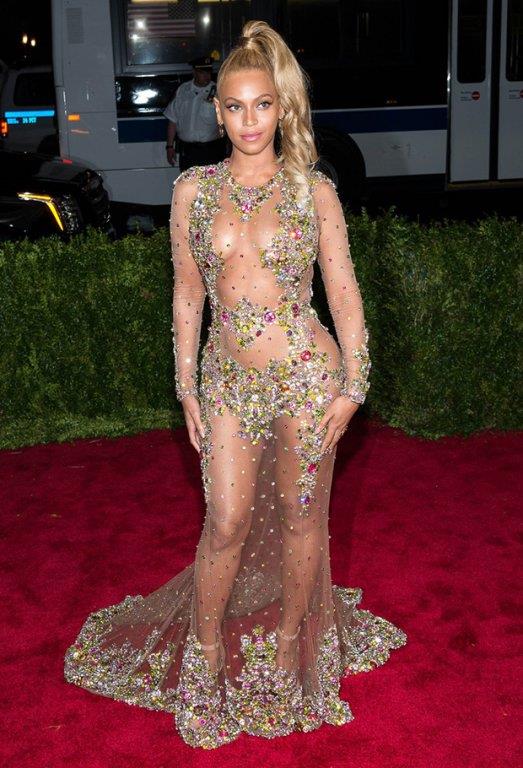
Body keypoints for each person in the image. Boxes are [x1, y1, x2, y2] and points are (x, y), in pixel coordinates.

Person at [64, 21, 407, 749]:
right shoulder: (192, 191)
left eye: (262, 105)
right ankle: (206, 647)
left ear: (281, 108)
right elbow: (188, 295)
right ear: (216, 113)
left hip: (307, 378)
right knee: (224, 520)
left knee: (302, 520)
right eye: (234, 107)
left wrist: (354, 387)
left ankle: (288, 641)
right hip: (225, 381)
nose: (249, 120)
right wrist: (185, 389)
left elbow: (344, 295)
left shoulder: (313, 191)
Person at [164, 55, 225, 171]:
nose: (207, 76)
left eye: (209, 72)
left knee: (211, 183)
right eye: (203, 72)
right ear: (194, 72)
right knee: (188, 183)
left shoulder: (219, 92)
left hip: (211, 152)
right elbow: (172, 120)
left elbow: (227, 123)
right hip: (188, 152)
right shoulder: (182, 90)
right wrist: (169, 146)